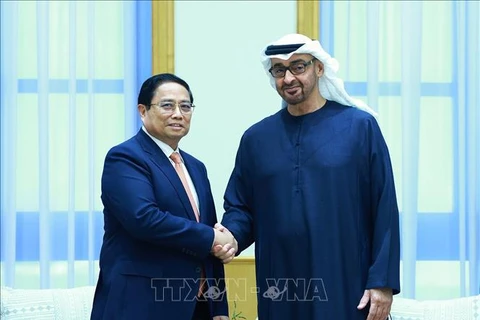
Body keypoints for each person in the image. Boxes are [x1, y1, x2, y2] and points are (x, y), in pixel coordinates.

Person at [213, 34, 401, 320]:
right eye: (279, 70)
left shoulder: (360, 127)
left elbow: (384, 207)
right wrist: (231, 236)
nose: (288, 78)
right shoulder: (256, 139)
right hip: (280, 283)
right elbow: (241, 207)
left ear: (319, 68)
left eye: (298, 67)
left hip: (345, 280)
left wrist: (382, 282)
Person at [91, 73, 233, 320]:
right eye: (167, 105)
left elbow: (208, 237)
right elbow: (144, 219)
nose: (178, 114)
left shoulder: (196, 167)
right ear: (142, 111)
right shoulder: (125, 158)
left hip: (196, 307)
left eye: (185, 106)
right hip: (140, 305)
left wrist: (218, 306)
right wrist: (211, 237)